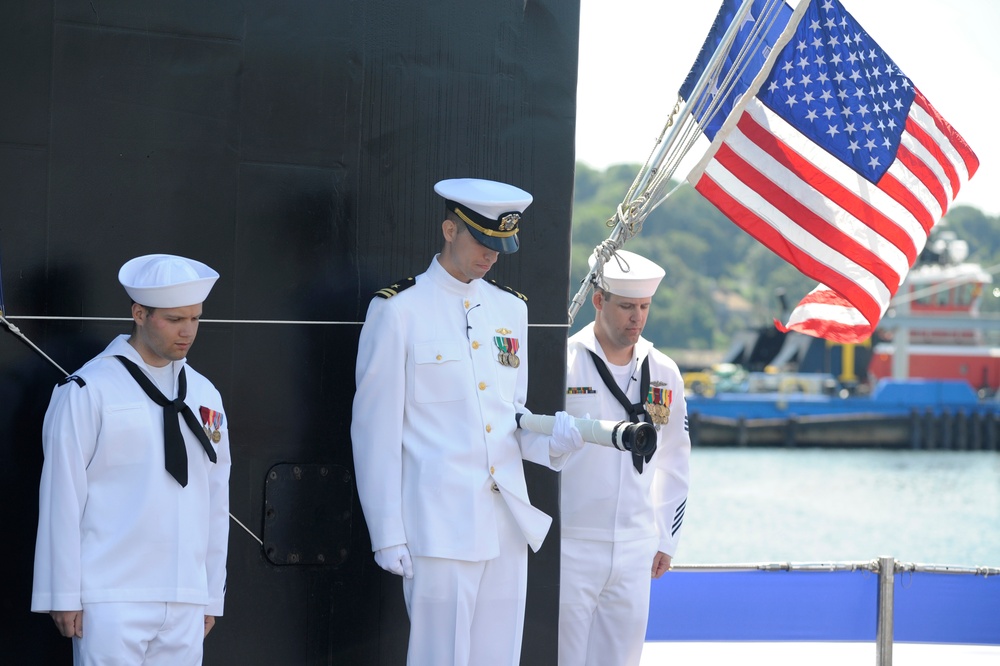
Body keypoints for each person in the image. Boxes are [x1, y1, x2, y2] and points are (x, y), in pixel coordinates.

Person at [351, 177, 584, 666]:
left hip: (505, 521)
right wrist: (387, 532)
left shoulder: (510, 309)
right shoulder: (398, 310)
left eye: (502, 246)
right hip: (437, 523)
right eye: (483, 242)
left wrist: (553, 442)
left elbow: (509, 419)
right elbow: (374, 432)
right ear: (449, 230)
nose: (492, 256)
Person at [31, 254, 232, 665]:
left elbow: (215, 499)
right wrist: (62, 593)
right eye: (175, 319)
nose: (187, 331)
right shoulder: (90, 389)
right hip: (111, 595)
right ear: (139, 313)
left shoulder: (205, 395)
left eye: (195, 319)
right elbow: (62, 496)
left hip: (184, 597)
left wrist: (210, 593)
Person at [558, 249, 691, 666]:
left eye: (644, 307)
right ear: (599, 301)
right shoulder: (565, 362)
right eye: (627, 307)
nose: (637, 318)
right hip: (572, 543)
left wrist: (666, 538)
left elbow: (675, 460)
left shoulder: (664, 372)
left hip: (636, 546)